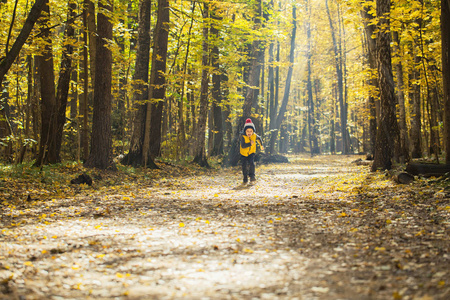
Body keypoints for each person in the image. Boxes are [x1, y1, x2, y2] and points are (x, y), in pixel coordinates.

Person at [240, 118, 264, 184]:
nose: (249, 133)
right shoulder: (243, 137)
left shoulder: (254, 136)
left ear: (253, 131)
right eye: (248, 131)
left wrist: (261, 145)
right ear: (245, 131)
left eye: (251, 131)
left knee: (251, 163)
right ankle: (245, 177)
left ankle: (252, 176)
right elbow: (243, 145)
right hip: (243, 153)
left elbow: (259, 139)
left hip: (251, 152)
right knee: (244, 165)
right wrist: (249, 144)